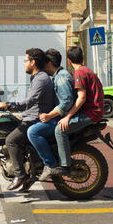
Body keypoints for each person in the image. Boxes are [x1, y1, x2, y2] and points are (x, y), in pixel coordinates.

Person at [0, 48, 55, 191]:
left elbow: (30, 101)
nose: (24, 64)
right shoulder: (36, 78)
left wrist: (9, 105)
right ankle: (28, 173)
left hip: (36, 119)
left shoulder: (41, 78)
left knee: (11, 140)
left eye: (25, 61)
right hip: (31, 116)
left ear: (33, 62)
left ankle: (20, 175)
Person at [52, 46, 104, 176]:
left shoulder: (79, 73)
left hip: (91, 113)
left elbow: (81, 98)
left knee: (60, 130)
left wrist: (68, 117)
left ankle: (65, 165)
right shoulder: (87, 71)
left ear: (69, 61)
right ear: (83, 57)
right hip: (94, 111)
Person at [26, 48, 75, 181]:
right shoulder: (57, 76)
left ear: (48, 63)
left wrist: (49, 116)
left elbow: (66, 102)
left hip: (60, 118)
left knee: (33, 132)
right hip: (57, 116)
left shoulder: (61, 78)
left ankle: (50, 164)